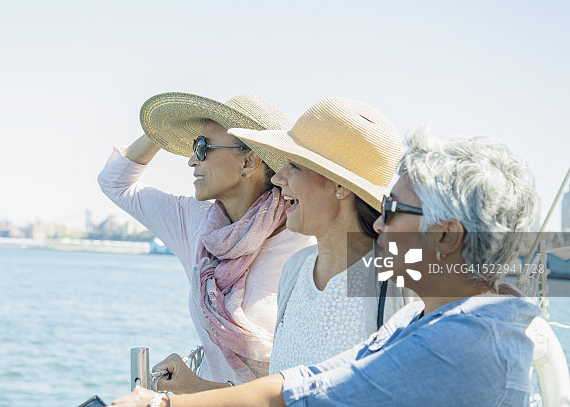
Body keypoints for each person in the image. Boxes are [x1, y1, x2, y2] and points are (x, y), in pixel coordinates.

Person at [111, 128, 546, 407]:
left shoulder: (463, 337)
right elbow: (309, 378)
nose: (379, 222)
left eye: (392, 209)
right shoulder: (425, 317)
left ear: (447, 237)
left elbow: (324, 393)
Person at [97, 92, 314, 392]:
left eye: (202, 148)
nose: (190, 160)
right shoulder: (196, 224)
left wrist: (195, 387)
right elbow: (115, 182)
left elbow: (305, 383)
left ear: (249, 161)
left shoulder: (306, 234)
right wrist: (161, 131)